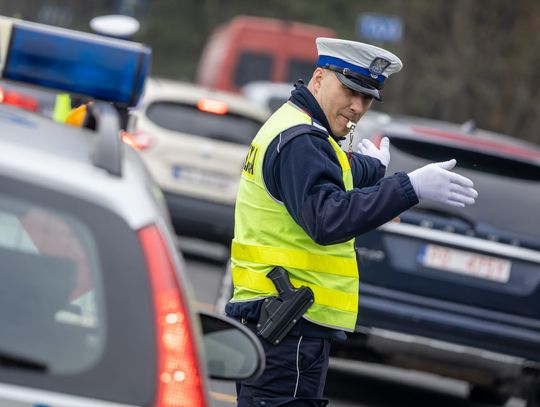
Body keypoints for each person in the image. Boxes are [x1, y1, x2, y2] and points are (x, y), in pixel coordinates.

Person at [226, 37, 478, 406]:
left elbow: (331, 173)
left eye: (367, 98)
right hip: (287, 329)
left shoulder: (297, 127)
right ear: (318, 79)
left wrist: (372, 168)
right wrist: (409, 187)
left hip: (281, 324)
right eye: (349, 90)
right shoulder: (302, 140)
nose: (357, 107)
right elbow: (327, 218)